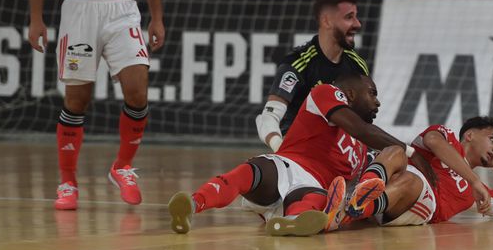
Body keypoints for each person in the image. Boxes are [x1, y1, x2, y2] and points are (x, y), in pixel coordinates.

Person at [28, 0, 165, 211]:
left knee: (137, 91)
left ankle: (123, 167)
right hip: (79, 10)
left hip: (122, 9)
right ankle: (68, 182)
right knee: (77, 100)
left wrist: (156, 16)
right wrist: (36, 19)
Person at [168, 74, 430, 237]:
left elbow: (361, 185)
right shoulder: (325, 92)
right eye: (372, 93)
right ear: (350, 93)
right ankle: (192, 204)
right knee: (251, 171)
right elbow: (363, 129)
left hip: (313, 187)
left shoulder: (364, 151)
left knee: (309, 203)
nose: (378, 102)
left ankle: (290, 223)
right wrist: (409, 151)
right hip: (288, 164)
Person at [328, 116, 493, 229]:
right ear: (470, 134)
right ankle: (356, 199)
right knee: (396, 150)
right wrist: (474, 180)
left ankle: (347, 212)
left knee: (411, 180)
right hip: (391, 183)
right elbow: (432, 140)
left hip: (418, 205)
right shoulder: (446, 137)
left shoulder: (477, 191)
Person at [255, 0, 368, 152]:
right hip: (301, 151)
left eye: (356, 17)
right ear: (327, 21)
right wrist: (281, 150)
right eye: (349, 17)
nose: (358, 24)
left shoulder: (357, 65)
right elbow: (267, 118)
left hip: (341, 152)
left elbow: (363, 123)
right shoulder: (298, 63)